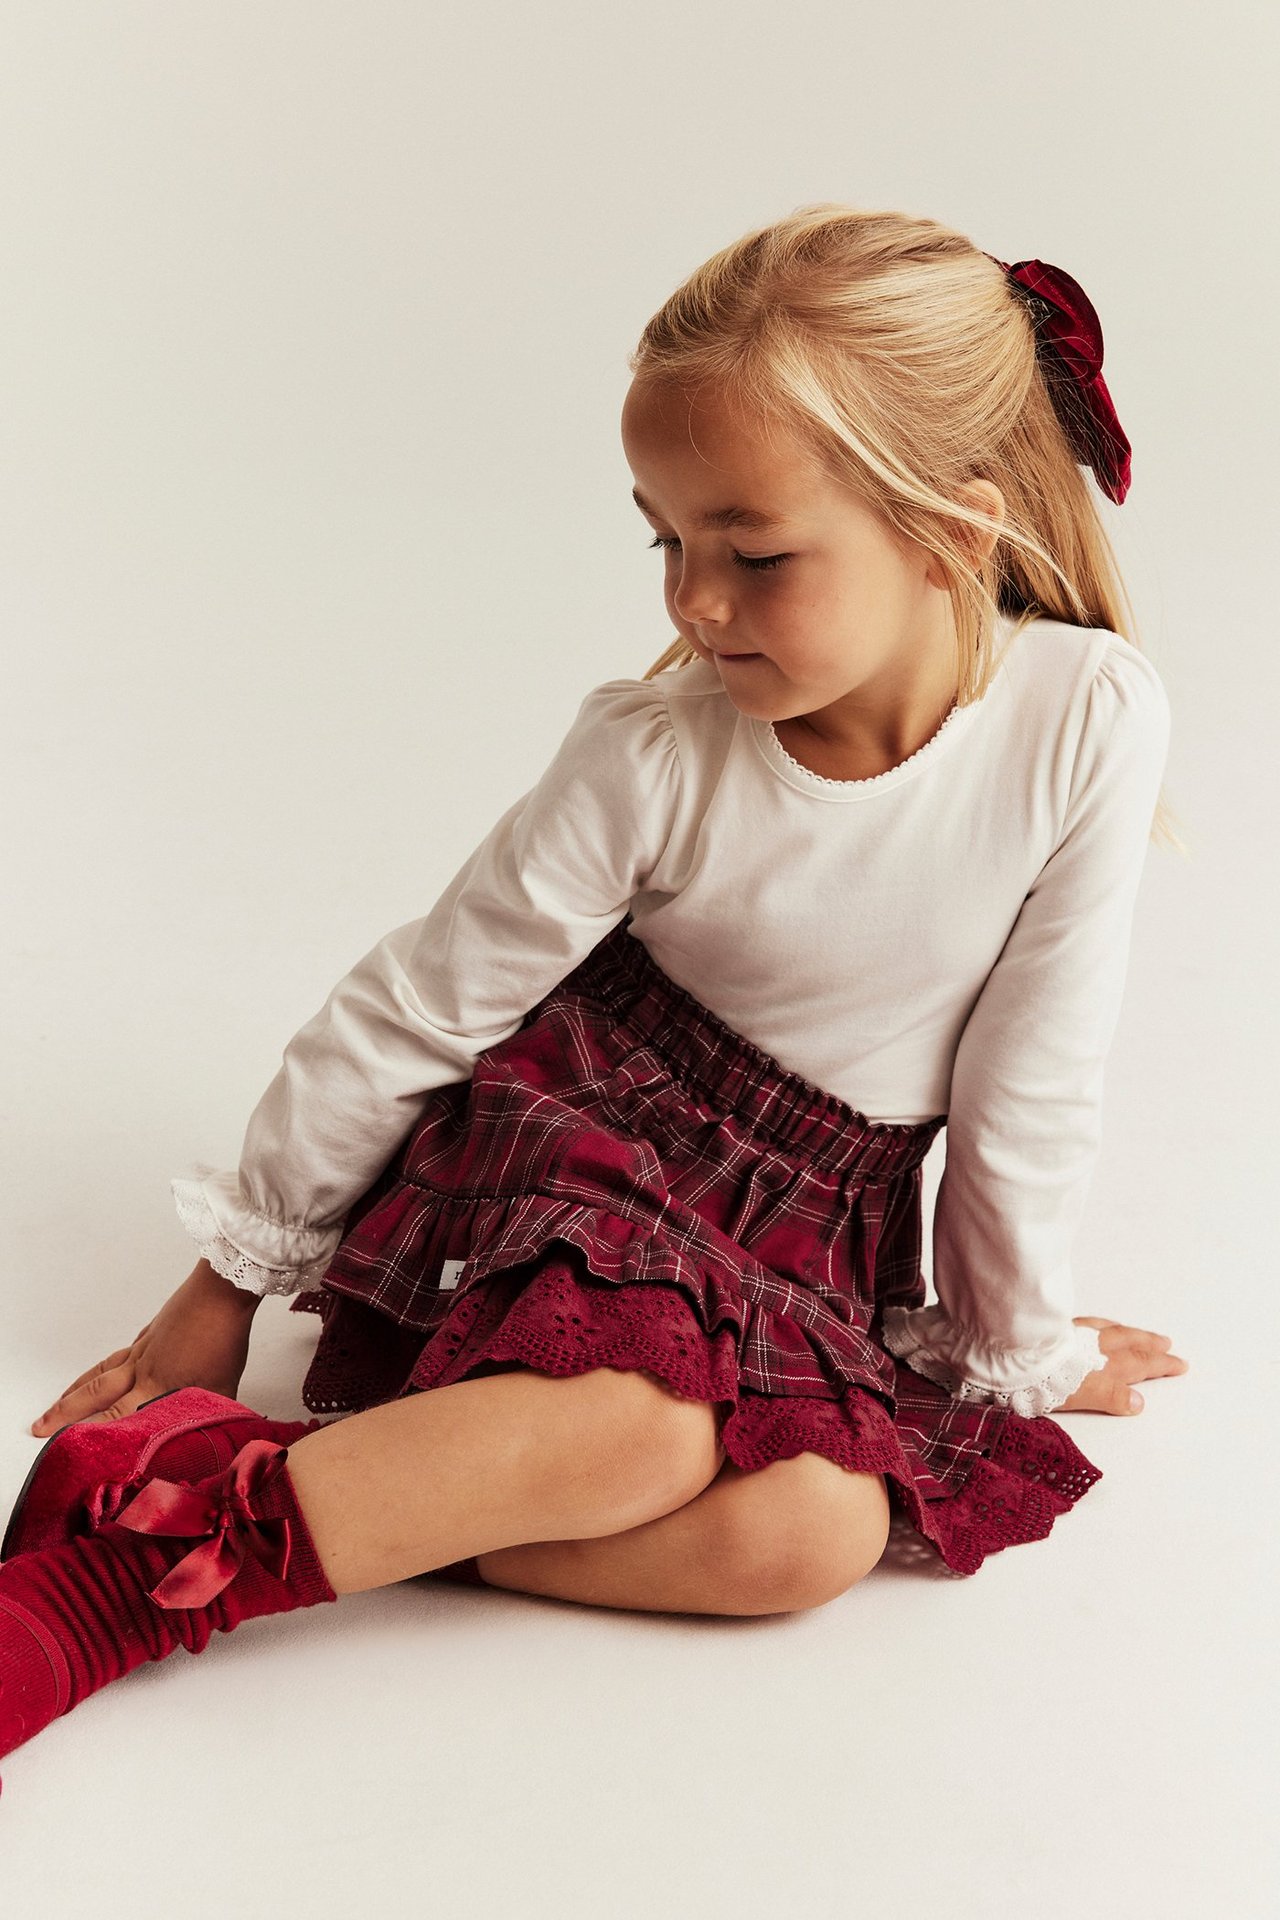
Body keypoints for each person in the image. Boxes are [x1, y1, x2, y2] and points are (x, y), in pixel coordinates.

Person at [0, 204, 1191, 1782]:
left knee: (809, 1536)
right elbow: (422, 1002)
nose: (692, 604)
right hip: (592, 1155)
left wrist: (1009, 1343)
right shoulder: (658, 748)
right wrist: (227, 1277)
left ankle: (356, 1496)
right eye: (666, 538)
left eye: (753, 554)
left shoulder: (1088, 722)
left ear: (949, 536)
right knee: (643, 1421)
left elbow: (1033, 1081)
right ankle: (131, 1584)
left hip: (804, 1240)